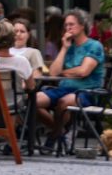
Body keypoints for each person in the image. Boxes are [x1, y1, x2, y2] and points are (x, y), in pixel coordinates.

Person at [35, 9, 105, 154]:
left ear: (82, 26)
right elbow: (53, 73)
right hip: (63, 89)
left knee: (64, 102)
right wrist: (64, 49)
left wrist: (64, 72)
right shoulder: (69, 47)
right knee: (33, 100)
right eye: (66, 25)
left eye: (71, 24)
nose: (68, 28)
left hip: (87, 92)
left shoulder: (94, 46)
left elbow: (83, 71)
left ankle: (53, 136)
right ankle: (60, 132)